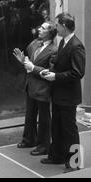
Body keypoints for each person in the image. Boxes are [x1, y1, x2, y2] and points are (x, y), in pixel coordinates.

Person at [40, 12, 86, 173]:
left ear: (65, 26)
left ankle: (75, 162)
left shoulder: (76, 45)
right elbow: (61, 66)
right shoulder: (63, 43)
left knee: (69, 130)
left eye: (57, 25)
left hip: (68, 96)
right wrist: (50, 71)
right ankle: (57, 156)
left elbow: (78, 73)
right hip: (59, 94)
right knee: (57, 127)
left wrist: (56, 76)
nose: (56, 28)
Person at [13, 21, 57, 156]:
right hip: (31, 85)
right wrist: (23, 61)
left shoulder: (54, 50)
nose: (39, 29)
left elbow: (51, 71)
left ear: (50, 33)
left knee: (44, 119)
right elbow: (29, 60)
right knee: (30, 115)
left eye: (43, 28)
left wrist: (33, 68)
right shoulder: (34, 44)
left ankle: (44, 146)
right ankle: (29, 139)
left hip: (43, 88)